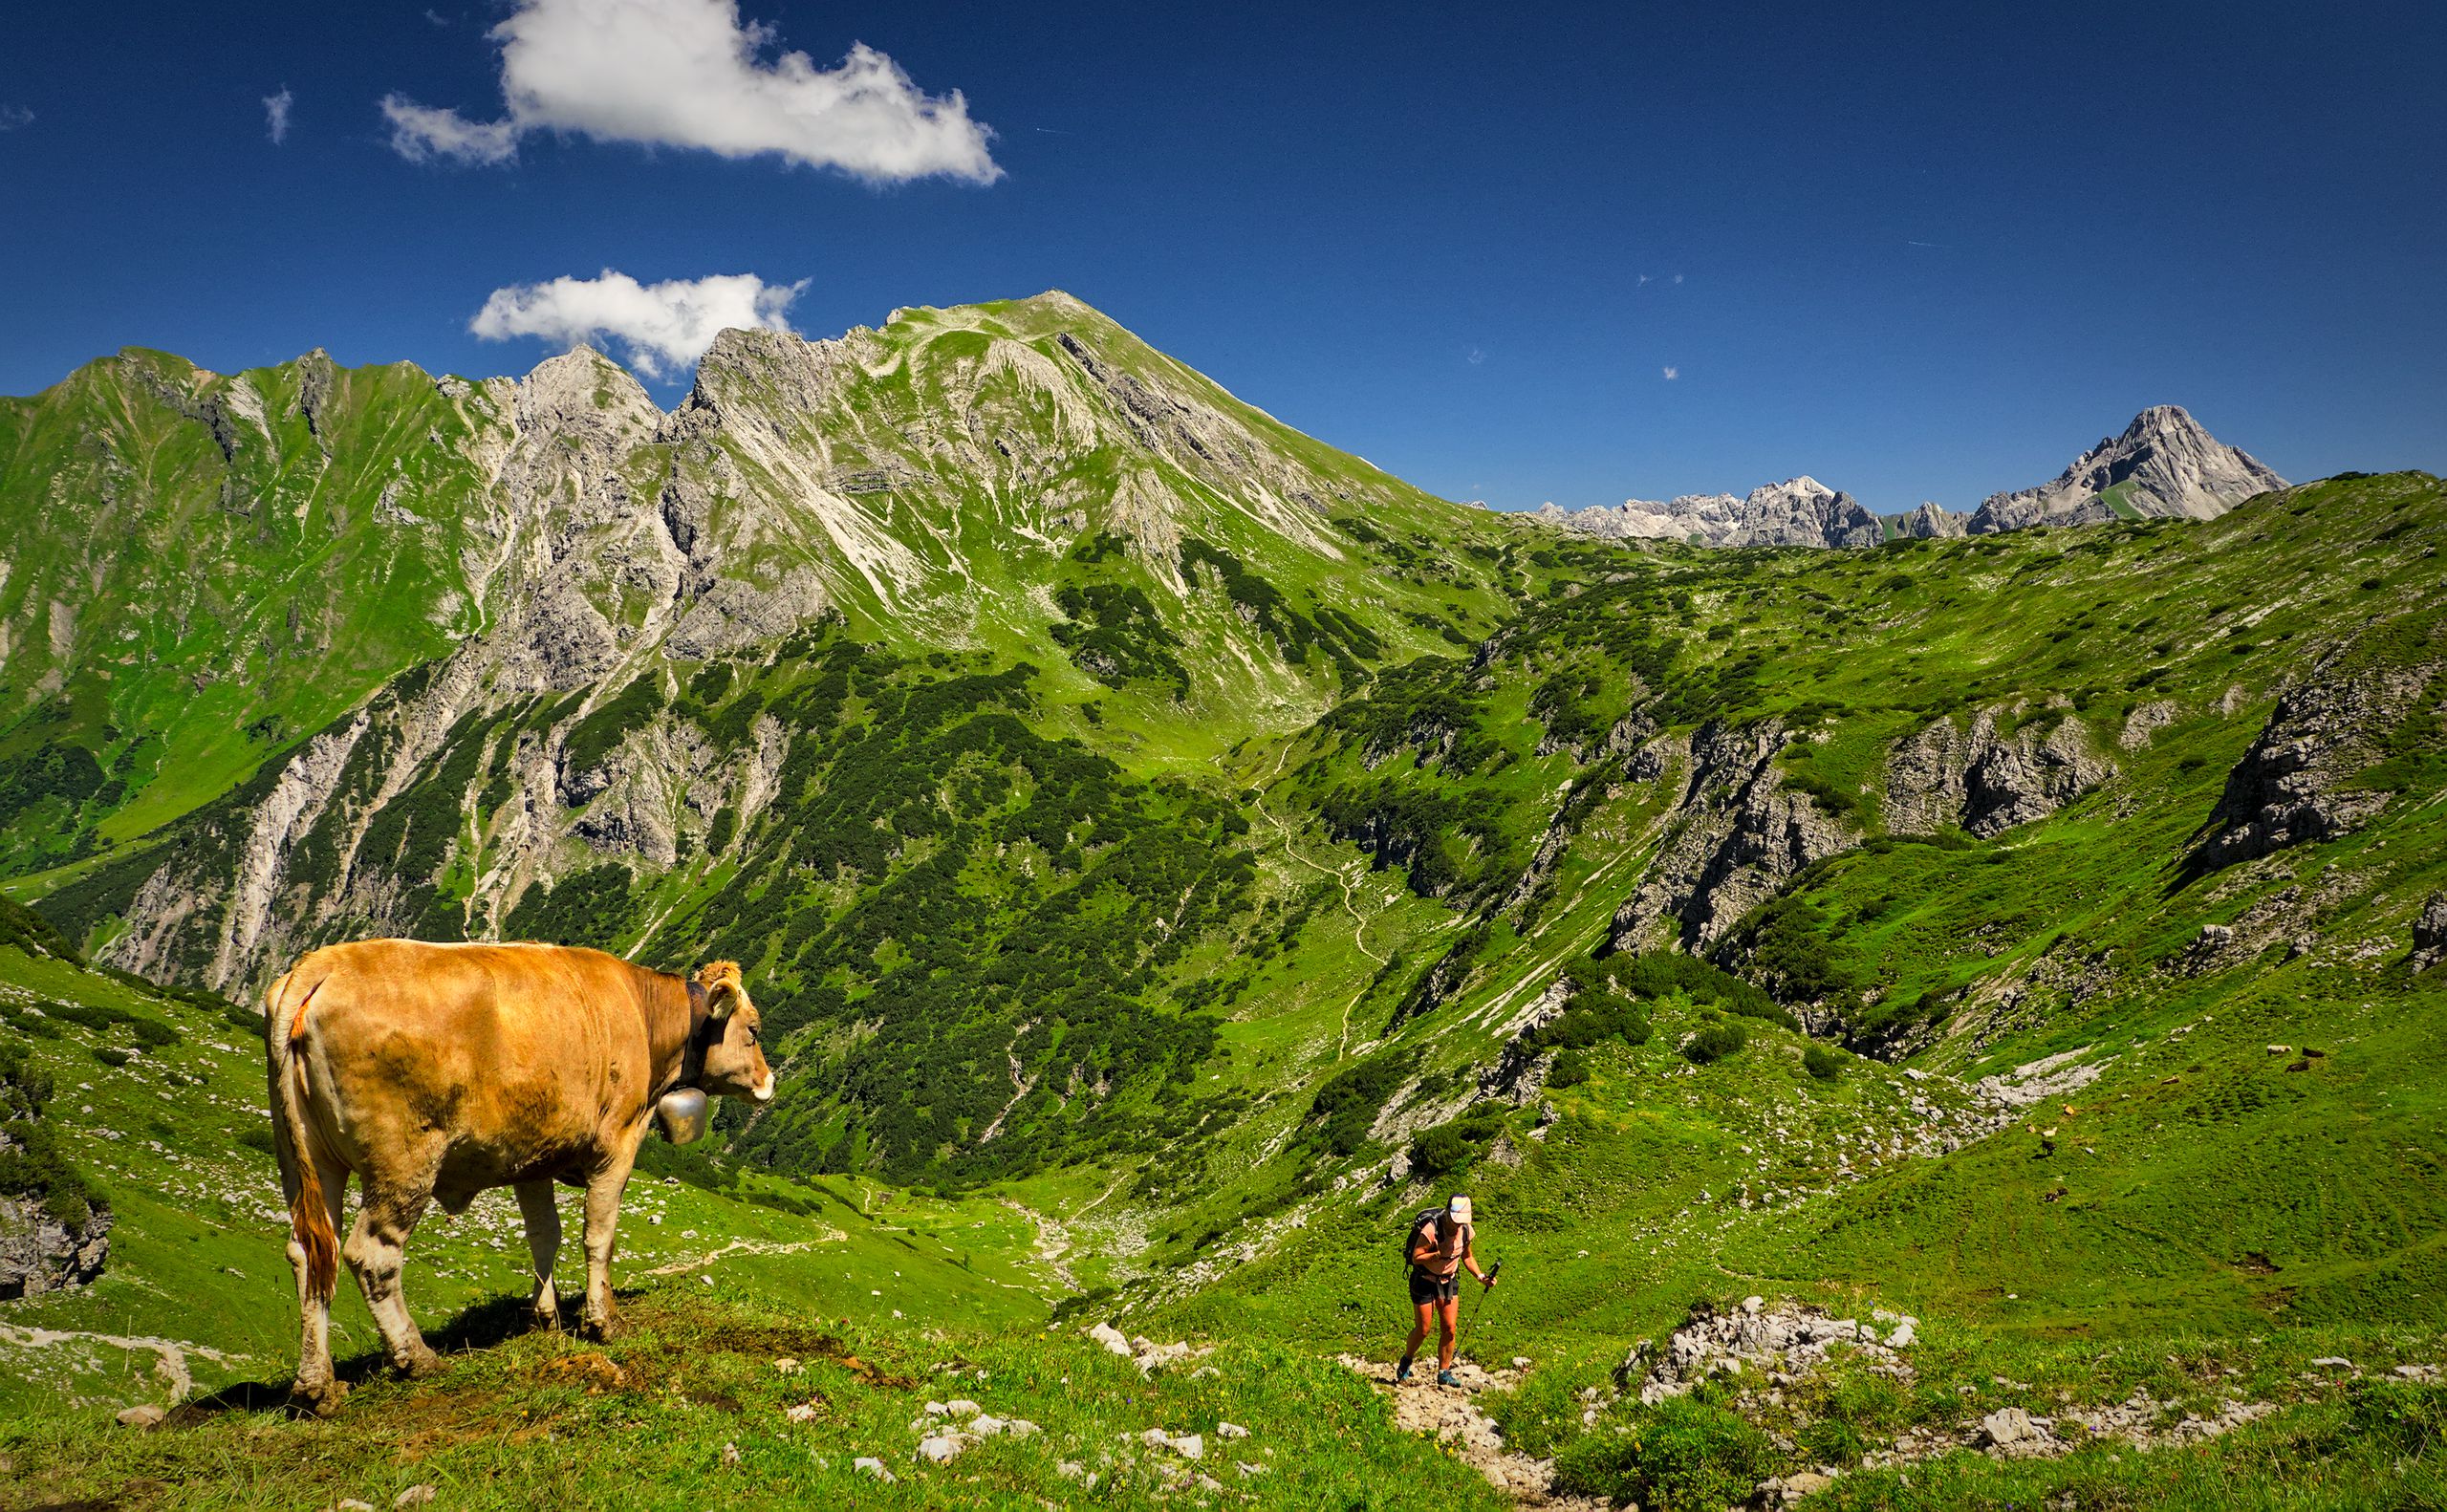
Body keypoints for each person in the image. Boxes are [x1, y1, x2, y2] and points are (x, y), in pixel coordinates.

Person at [1397, 1194, 1494, 1386]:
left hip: (1448, 1281)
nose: (1458, 1225)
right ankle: (1406, 1361)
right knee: (1423, 1329)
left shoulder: (1466, 1230)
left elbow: (1467, 1257)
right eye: (1455, 1221)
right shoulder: (1431, 1228)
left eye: (1462, 1222)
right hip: (1424, 1280)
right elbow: (1417, 1257)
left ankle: (1444, 1372)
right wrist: (1435, 1255)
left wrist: (1480, 1276)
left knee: (1449, 1327)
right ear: (1448, 1213)